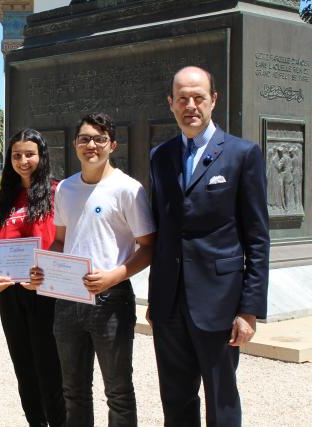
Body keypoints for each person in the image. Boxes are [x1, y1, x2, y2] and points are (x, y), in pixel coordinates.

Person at [148, 66, 269, 426]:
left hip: (220, 302)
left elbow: (258, 238)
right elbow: (162, 229)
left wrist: (249, 309)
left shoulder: (242, 154)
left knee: (222, 400)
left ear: (213, 100)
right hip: (169, 303)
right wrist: (156, 299)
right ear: (170, 103)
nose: (190, 105)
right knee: (175, 399)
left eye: (198, 97)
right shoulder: (160, 157)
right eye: (182, 98)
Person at [30, 113, 156, 427]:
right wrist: (45, 267)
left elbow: (149, 246)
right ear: (75, 144)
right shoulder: (66, 189)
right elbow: (60, 240)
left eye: (99, 139)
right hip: (68, 301)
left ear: (112, 145)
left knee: (118, 391)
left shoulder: (128, 189)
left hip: (111, 299)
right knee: (73, 390)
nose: (91, 145)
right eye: (85, 138)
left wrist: (114, 275)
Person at [0, 128, 65, 427]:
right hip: (12, 295)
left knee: (50, 369)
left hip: (47, 292)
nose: (23, 160)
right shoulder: (6, 199)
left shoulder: (59, 192)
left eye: (29, 154)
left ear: (41, 156)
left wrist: (50, 268)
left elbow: (65, 241)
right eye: (16, 155)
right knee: (24, 367)